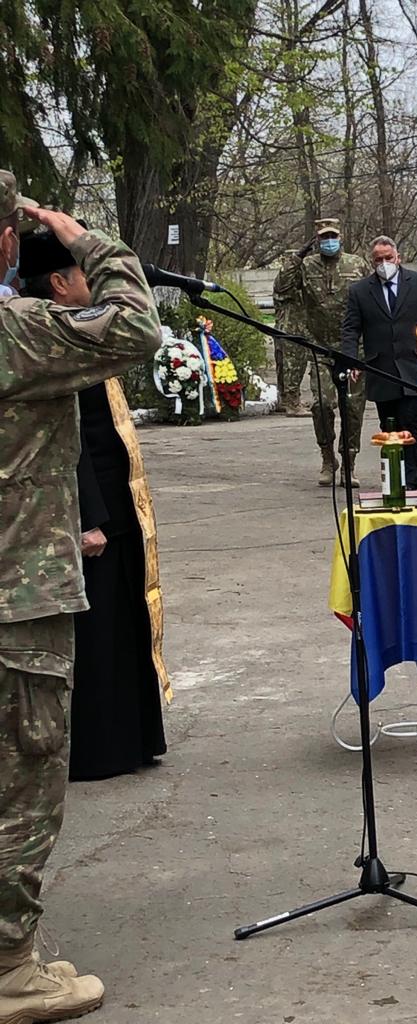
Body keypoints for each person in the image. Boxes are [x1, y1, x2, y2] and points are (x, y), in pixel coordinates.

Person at [0, 171, 162, 1023]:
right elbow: (133, 327)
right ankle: (9, 971)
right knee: (21, 789)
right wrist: (85, 240)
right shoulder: (16, 331)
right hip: (15, 599)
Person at [19, 229, 171, 781]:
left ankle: (132, 739)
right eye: (86, 272)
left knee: (124, 625)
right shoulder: (46, 338)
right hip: (90, 512)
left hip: (117, 500)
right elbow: (65, 437)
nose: (94, 282)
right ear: (60, 284)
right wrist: (88, 518)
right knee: (96, 636)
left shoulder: (78, 330)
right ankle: (96, 750)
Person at [341, 234, 417, 491]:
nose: (384, 264)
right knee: (389, 428)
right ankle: (394, 479)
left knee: (411, 423)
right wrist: (351, 361)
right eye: (378, 260)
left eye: (388, 258)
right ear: (372, 261)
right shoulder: (359, 291)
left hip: (413, 367)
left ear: (398, 257)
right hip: (381, 369)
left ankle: (414, 480)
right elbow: (351, 329)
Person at [273, 218, 368, 486]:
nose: (329, 242)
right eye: (323, 237)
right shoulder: (306, 266)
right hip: (320, 348)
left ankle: (349, 463)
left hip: (352, 349)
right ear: (316, 240)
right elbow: (282, 288)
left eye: (332, 236)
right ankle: (328, 458)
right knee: (322, 405)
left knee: (352, 408)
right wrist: (298, 255)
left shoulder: (357, 264)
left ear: (340, 237)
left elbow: (371, 297)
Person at [272, 250, 311, 417]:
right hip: (292, 329)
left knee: (285, 365)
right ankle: (292, 403)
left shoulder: (292, 280)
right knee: (293, 366)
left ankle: (285, 400)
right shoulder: (286, 281)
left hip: (286, 328)